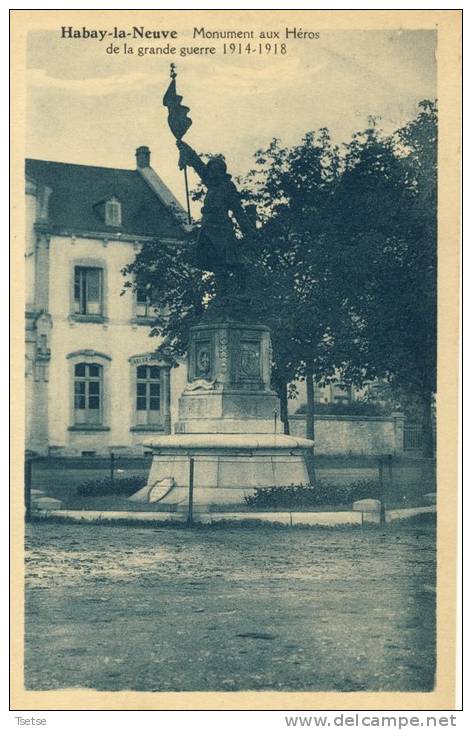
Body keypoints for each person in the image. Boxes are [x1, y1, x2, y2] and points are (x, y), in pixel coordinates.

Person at [176, 140, 255, 291]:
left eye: (215, 170)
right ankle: (222, 293)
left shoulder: (227, 187)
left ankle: (243, 289)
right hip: (208, 228)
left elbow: (237, 210)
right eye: (210, 170)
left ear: (222, 172)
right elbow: (198, 166)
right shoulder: (211, 184)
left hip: (222, 229)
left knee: (232, 260)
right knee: (215, 261)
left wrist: (248, 229)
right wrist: (185, 148)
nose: (211, 173)